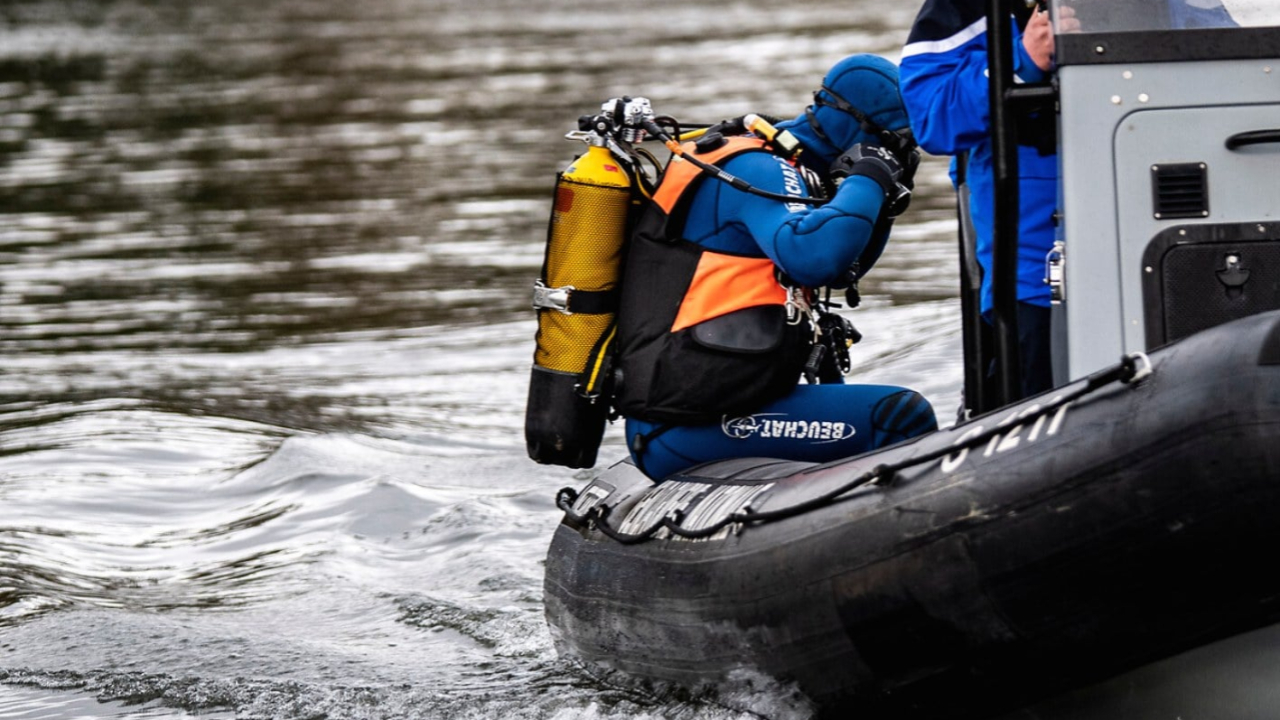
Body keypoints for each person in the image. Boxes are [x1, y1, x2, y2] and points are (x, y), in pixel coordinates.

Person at [613, 54, 939, 481]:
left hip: (728, 401)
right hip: (681, 424)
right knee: (901, 415)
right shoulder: (757, 167)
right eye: (893, 140)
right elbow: (816, 258)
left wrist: (885, 194)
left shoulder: (798, 171)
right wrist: (870, 175)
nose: (899, 152)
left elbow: (845, 269)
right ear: (852, 124)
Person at [900, 0, 1237, 399]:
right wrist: (1020, 62)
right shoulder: (969, 8)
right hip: (1040, 271)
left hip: (1178, 244)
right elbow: (934, 119)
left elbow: (1239, 63)